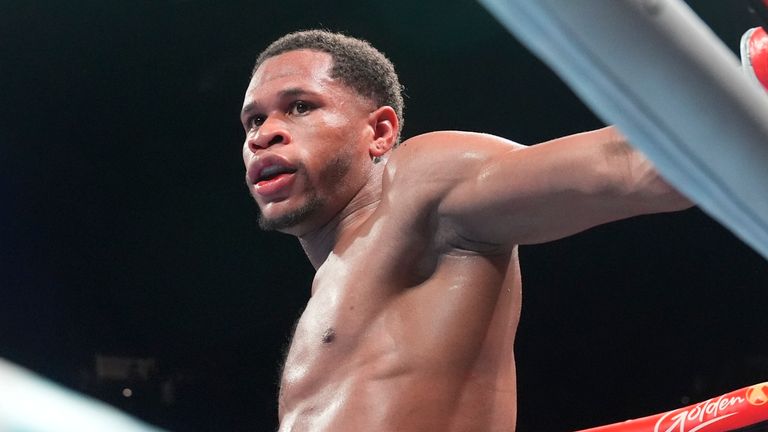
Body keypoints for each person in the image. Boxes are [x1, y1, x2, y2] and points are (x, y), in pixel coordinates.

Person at [240, 30, 691, 432]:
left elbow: (632, 165)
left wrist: (747, 86)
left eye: (300, 107)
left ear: (379, 132)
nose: (264, 135)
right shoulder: (331, 288)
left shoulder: (418, 187)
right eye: (254, 120)